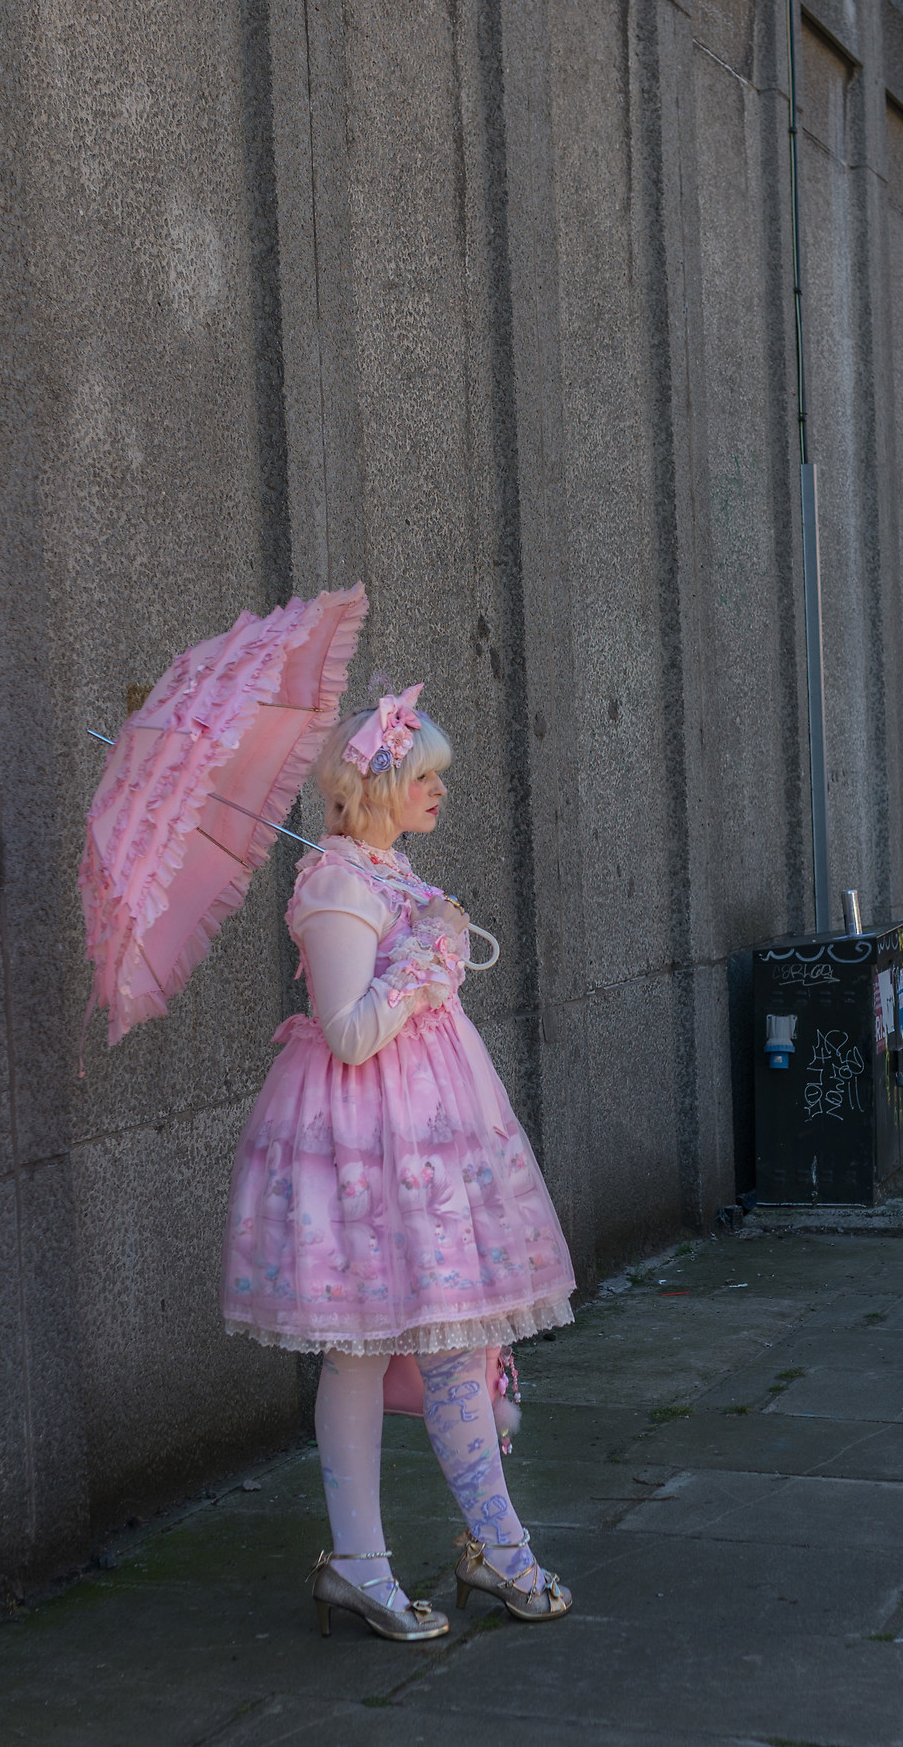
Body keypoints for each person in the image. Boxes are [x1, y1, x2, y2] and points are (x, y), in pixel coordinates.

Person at [222, 687, 579, 1638]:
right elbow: (345, 1033)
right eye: (425, 776)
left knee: (458, 1336)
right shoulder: (334, 885)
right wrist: (424, 967)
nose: (439, 792)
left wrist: (430, 936)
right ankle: (358, 1562)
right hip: (360, 1149)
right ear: (377, 782)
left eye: (439, 778)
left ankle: (498, 1548)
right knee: (361, 1349)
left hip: (428, 1144)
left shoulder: (388, 873)